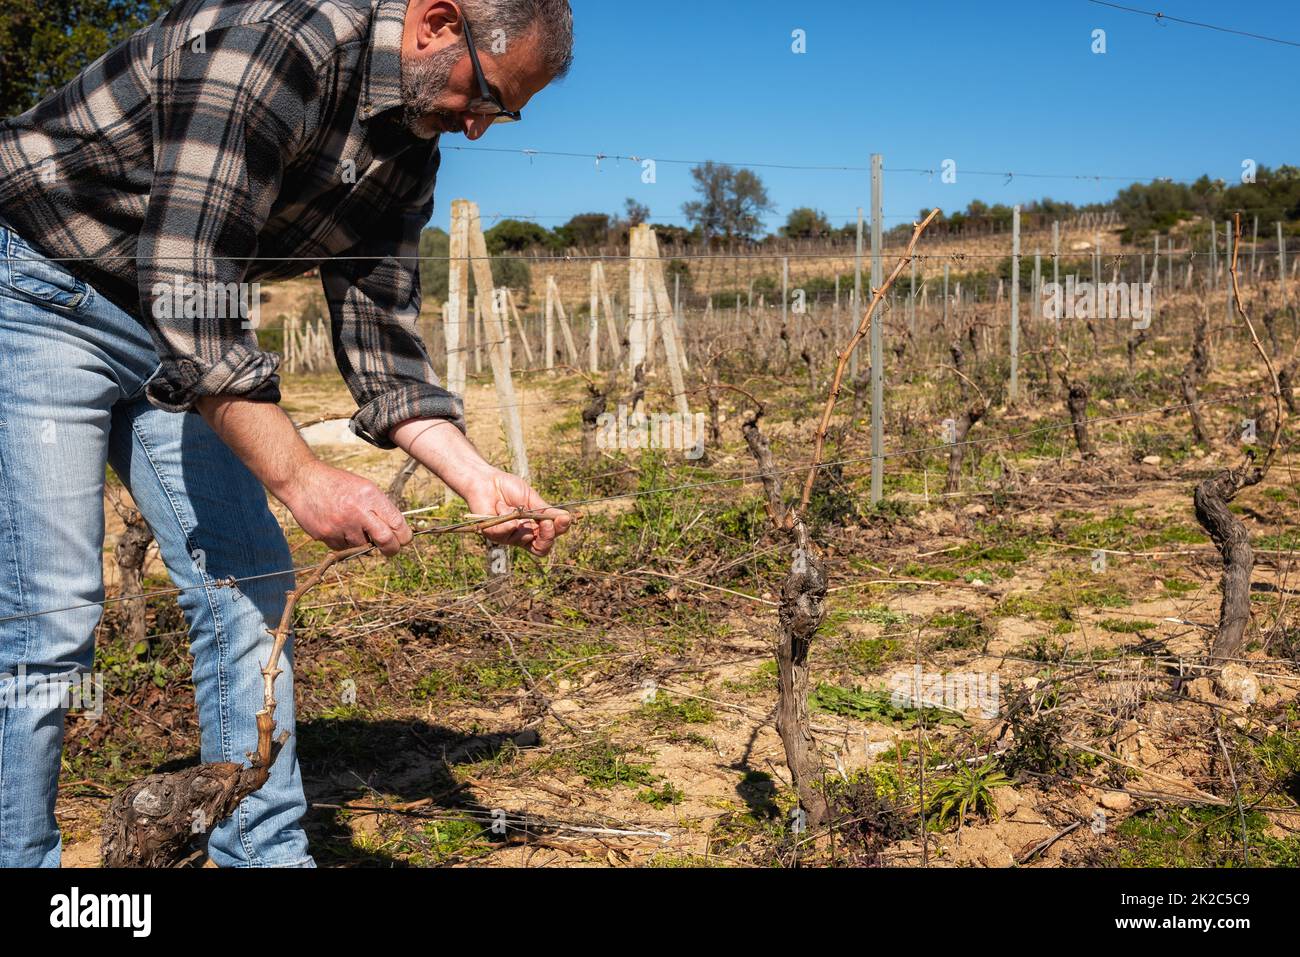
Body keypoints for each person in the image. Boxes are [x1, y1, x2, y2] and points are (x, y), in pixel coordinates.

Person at [0, 0, 574, 867]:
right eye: (487, 98)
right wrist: (303, 477)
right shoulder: (285, 41)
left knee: (250, 581)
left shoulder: (406, 144)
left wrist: (476, 478)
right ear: (439, 22)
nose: (480, 129)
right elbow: (188, 270)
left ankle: (264, 857)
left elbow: (382, 341)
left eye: (503, 114)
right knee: (52, 614)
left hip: (177, 327)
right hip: (45, 287)